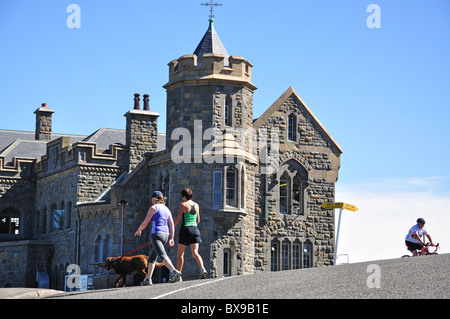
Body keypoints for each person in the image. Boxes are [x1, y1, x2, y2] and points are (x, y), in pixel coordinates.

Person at [134, 191, 181, 284]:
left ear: (154, 199)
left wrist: (139, 230)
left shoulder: (153, 208)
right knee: (152, 258)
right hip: (165, 235)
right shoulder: (167, 209)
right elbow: (171, 225)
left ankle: (174, 271)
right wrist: (172, 237)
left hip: (156, 234)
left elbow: (145, 222)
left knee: (162, 255)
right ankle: (148, 279)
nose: (151, 200)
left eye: (152, 198)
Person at [174, 188, 207, 279]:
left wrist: (170, 226)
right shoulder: (197, 205)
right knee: (195, 252)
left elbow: (177, 221)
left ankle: (178, 274)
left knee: (180, 253)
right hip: (195, 230)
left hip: (186, 229)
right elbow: (198, 220)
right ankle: (203, 268)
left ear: (184, 197)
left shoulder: (183, 205)